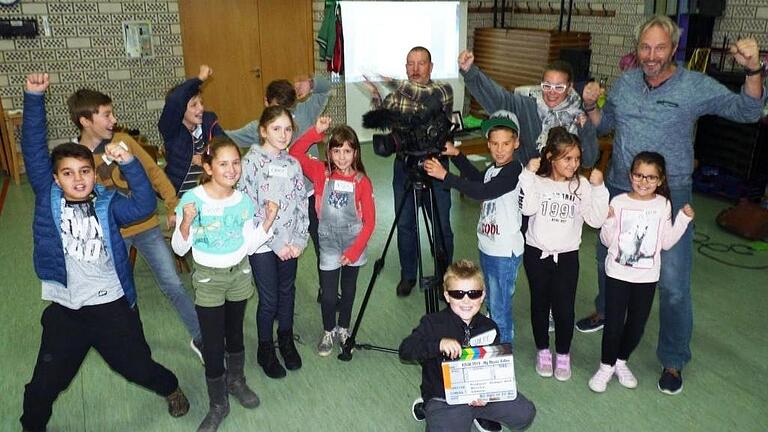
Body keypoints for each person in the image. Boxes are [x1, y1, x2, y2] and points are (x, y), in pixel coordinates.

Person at [578, 15, 765, 394]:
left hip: (670, 195)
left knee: (674, 284)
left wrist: (754, 70)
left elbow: (747, 111)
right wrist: (591, 105)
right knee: (606, 258)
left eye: (659, 47)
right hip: (620, 186)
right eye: (645, 47)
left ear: (674, 47)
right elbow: (603, 125)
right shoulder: (627, 82)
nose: (651, 55)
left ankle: (674, 358)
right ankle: (606, 309)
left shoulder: (694, 85)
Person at [19, 73, 189, 432]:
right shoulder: (48, 201)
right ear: (55, 179)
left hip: (111, 304)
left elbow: (143, 205)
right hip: (66, 308)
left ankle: (171, 387)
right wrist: (34, 98)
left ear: (94, 176)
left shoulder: (108, 204)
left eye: (85, 171)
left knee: (138, 368)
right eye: (68, 173)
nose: (78, 179)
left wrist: (129, 164)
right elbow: (34, 149)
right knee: (43, 386)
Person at [66, 88, 204, 362]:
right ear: (85, 121)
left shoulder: (123, 140)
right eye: (106, 115)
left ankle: (201, 338)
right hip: (113, 236)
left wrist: (171, 203)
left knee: (173, 285)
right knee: (121, 295)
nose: (113, 119)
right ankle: (136, 347)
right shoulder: (77, 157)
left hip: (147, 226)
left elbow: (153, 171)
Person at [172, 137, 277, 431]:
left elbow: (250, 244)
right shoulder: (193, 200)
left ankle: (236, 380)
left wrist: (268, 221)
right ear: (208, 166)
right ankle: (218, 404)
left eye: (236, 163)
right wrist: (185, 223)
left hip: (239, 275)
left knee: (235, 334)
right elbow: (180, 249)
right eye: (223, 164)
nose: (231, 170)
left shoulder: (242, 200)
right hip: (208, 279)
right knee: (214, 342)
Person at [588, 152, 694, 393]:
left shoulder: (663, 205)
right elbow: (606, 240)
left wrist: (683, 221)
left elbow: (665, 242)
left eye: (651, 177)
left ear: (660, 180)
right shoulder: (619, 202)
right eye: (639, 175)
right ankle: (606, 366)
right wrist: (609, 222)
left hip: (646, 278)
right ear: (630, 175)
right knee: (614, 324)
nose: (644, 182)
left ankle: (621, 361)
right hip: (617, 274)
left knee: (637, 325)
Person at [226, 75, 332, 302]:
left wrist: (311, 84)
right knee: (275, 261)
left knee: (321, 241)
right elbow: (227, 138)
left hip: (308, 195)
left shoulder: (305, 112)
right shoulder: (259, 128)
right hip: (273, 206)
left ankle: (328, 288)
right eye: (277, 108)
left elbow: (327, 88)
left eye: (288, 109)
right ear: (266, 103)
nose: (284, 126)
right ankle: (272, 301)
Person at [423, 111, 524, 346]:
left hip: (505, 252)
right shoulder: (494, 168)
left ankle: (503, 350)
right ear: (488, 144)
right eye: (495, 143)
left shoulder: (514, 171)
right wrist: (457, 155)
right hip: (488, 246)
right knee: (490, 299)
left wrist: (445, 175)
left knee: (500, 307)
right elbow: (478, 179)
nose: (500, 149)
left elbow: (481, 191)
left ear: (516, 143)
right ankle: (494, 335)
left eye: (506, 143)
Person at [399, 260, 536, 432]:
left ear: (483, 295)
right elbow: (405, 350)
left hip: (480, 392)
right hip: (444, 397)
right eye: (458, 293)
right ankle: (430, 408)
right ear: (447, 296)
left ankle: (478, 414)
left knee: (525, 413)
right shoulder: (432, 323)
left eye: (473, 293)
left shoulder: (490, 327)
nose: (466, 300)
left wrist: (488, 393)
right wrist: (438, 345)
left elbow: (492, 366)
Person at [363, 46, 454, 297]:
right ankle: (408, 274)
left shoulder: (442, 90)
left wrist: (389, 82)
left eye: (421, 63)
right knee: (405, 224)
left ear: (431, 67)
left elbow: (423, 98)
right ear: (405, 67)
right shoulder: (398, 95)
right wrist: (376, 96)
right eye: (410, 64)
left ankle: (446, 275)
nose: (415, 69)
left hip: (434, 166)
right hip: (404, 167)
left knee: (441, 224)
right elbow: (380, 120)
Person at [519, 127, 608, 381]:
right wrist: (527, 175)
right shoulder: (537, 181)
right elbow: (528, 209)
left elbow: (595, 219)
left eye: (577, 159)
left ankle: (564, 354)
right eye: (567, 158)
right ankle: (543, 350)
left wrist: (599, 189)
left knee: (564, 308)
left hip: (567, 256)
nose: (574, 164)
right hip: (537, 254)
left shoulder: (581, 186)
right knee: (540, 304)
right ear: (551, 157)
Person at [289, 117, 375, 356]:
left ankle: (344, 328)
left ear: (356, 153)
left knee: (348, 292)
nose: (341, 156)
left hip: (353, 244)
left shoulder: (362, 181)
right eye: (336, 150)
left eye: (347, 151)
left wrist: (354, 251)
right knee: (328, 296)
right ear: (329, 151)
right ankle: (328, 329)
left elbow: (370, 222)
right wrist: (315, 132)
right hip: (327, 243)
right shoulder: (320, 172)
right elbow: (295, 152)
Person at [237, 105, 309, 379]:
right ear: (263, 131)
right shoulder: (250, 164)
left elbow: (302, 203)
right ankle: (265, 349)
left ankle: (286, 339)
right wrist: (278, 244)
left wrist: (299, 240)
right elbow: (250, 209)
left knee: (287, 292)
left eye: (288, 129)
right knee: (269, 299)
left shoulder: (293, 164)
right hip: (264, 245)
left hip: (290, 244)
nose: (283, 134)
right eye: (276, 129)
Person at [458, 50, 598, 168]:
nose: (552, 92)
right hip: (528, 186)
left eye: (559, 87)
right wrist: (470, 72)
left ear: (569, 87)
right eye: (547, 86)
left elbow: (589, 161)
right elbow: (498, 98)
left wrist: (586, 130)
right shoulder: (527, 106)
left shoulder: (578, 116)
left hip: (562, 191)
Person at [159, 64, 224, 196]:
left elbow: (225, 146)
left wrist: (206, 158)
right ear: (180, 110)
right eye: (194, 105)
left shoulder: (209, 121)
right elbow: (175, 100)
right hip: (180, 198)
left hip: (209, 195)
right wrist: (199, 79)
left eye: (201, 103)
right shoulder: (172, 130)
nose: (200, 108)